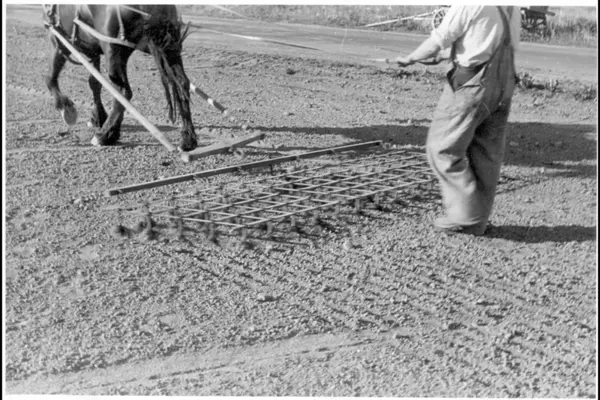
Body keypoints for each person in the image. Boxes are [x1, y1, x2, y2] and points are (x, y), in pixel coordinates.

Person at [394, 6, 521, 236]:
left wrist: (410, 58)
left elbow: (438, 41)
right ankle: (477, 222)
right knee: (486, 155)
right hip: (502, 87)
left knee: (442, 149)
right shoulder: (512, 6)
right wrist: (447, 55)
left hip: (472, 86)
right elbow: (489, 41)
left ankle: (465, 216)